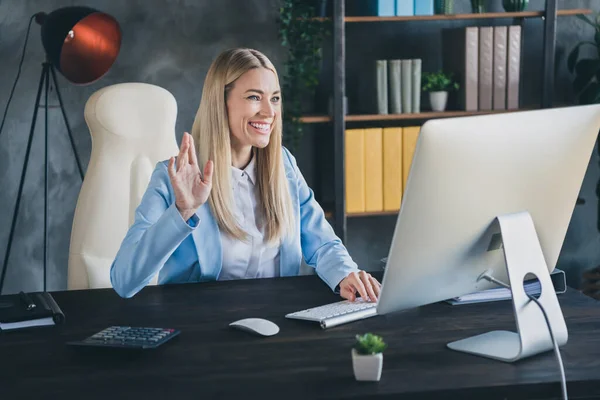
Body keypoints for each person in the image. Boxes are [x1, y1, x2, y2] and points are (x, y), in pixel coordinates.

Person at [110, 48, 381, 300]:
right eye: (254, 97)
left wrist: (346, 274)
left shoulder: (283, 166)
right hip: (201, 332)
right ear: (221, 102)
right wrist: (181, 210)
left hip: (277, 325)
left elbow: (322, 243)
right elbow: (124, 280)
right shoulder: (173, 177)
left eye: (274, 98)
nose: (269, 112)